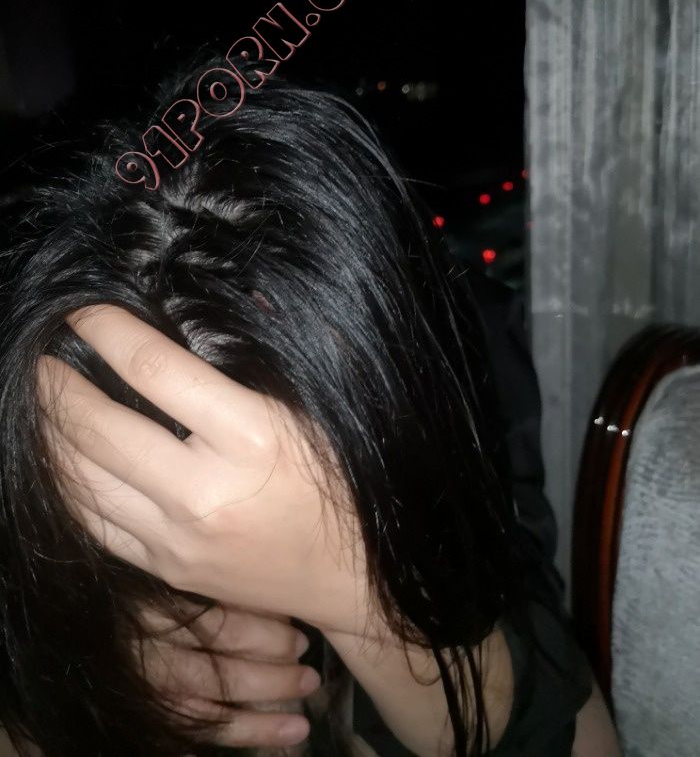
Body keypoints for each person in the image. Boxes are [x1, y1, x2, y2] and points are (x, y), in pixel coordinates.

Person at [0, 53, 620, 755]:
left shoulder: (468, 380)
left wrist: (367, 597)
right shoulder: (44, 397)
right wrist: (93, 659)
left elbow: (578, 730)